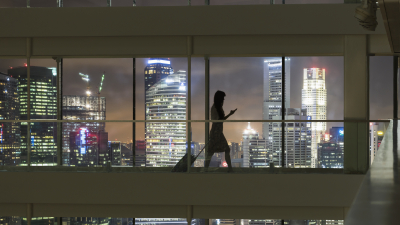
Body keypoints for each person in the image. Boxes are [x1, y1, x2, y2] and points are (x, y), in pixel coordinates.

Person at [204, 90, 237, 172]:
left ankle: (206, 169)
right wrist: (229, 114)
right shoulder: (215, 108)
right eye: (223, 98)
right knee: (217, 150)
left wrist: (230, 114)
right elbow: (217, 120)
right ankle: (230, 169)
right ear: (219, 99)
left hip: (217, 131)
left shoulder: (218, 107)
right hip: (216, 131)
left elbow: (221, 120)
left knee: (212, 151)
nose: (223, 100)